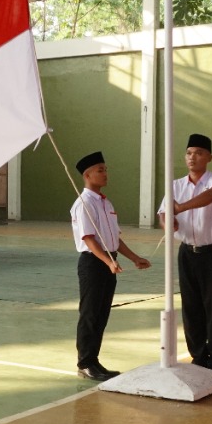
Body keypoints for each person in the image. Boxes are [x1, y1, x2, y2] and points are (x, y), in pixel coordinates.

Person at [71, 151, 151, 380]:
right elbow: (89, 239)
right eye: (100, 170)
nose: (106, 174)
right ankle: (85, 363)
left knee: (102, 313)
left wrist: (134, 257)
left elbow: (114, 238)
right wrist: (108, 261)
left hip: (108, 261)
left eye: (106, 169)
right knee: (90, 313)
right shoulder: (84, 203)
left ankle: (95, 361)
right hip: (93, 263)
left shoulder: (105, 203)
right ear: (87, 175)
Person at [157, 133, 212, 371]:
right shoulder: (175, 185)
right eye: (189, 153)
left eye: (198, 153)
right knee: (190, 306)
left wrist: (180, 207)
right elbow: (163, 214)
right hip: (187, 252)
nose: (192, 157)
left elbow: (211, 196)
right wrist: (169, 222)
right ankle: (198, 356)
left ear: (209, 157)